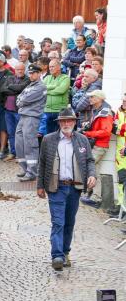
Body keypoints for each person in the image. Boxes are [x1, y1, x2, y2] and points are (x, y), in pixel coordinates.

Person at [37, 106, 96, 271]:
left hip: (75, 187)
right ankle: (56, 255)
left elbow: (90, 161)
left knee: (69, 223)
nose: (66, 123)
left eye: (69, 120)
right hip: (56, 187)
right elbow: (42, 163)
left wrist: (93, 175)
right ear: (59, 123)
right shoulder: (49, 140)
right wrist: (40, 186)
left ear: (74, 123)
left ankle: (65, 252)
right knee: (58, 222)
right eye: (63, 121)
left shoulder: (82, 140)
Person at [79, 90, 113, 208]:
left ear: (99, 98)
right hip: (97, 144)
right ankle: (94, 196)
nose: (90, 99)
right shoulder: (98, 110)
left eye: (92, 97)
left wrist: (89, 133)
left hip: (100, 145)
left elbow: (106, 132)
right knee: (94, 170)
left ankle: (93, 195)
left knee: (89, 166)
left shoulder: (105, 112)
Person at [15, 64, 47, 181]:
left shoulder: (40, 87)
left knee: (30, 145)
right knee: (19, 144)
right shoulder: (29, 85)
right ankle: (25, 168)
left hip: (32, 117)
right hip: (23, 116)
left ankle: (32, 172)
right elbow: (19, 98)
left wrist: (21, 100)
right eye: (30, 73)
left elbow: (25, 99)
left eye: (33, 73)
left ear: (39, 73)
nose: (31, 75)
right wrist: (21, 100)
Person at [1, 62, 30, 161]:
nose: (20, 71)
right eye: (18, 69)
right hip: (8, 110)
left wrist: (10, 87)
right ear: (15, 70)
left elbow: (21, 88)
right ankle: (13, 152)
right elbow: (2, 90)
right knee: (10, 132)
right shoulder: (10, 78)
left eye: (22, 69)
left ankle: (20, 154)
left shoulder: (27, 79)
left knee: (20, 133)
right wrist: (14, 90)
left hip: (19, 111)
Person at [43, 59, 71, 134]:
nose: (50, 69)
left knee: (60, 134)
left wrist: (47, 91)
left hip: (60, 111)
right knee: (48, 134)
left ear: (59, 67)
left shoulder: (65, 78)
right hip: (47, 110)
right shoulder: (47, 78)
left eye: (52, 66)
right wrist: (54, 86)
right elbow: (42, 89)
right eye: (49, 67)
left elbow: (61, 90)